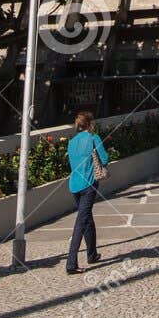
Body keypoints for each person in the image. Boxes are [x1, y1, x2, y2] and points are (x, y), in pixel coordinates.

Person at [65, 111, 109, 275]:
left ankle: (92, 254)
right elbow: (104, 159)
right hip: (89, 184)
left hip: (74, 185)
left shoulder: (72, 142)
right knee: (81, 222)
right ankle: (71, 263)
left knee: (87, 217)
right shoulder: (93, 138)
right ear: (90, 124)